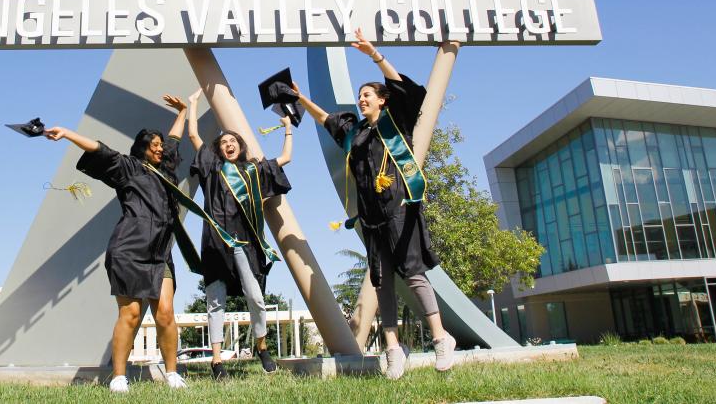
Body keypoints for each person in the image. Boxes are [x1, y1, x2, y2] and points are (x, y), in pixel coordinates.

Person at [294, 28, 458, 377]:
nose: (361, 98)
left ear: (382, 99)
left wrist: (374, 54)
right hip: (371, 217)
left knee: (412, 274)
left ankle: (442, 338)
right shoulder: (357, 132)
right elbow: (327, 120)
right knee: (381, 280)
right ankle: (393, 348)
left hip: (399, 208)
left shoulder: (396, 120)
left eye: (367, 94)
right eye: (360, 95)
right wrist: (300, 98)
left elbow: (404, 88)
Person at [44, 95, 190, 394]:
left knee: (165, 313)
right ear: (142, 148)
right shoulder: (128, 168)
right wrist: (68, 133)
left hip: (161, 252)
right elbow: (100, 149)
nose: (161, 148)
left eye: (161, 146)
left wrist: (185, 111)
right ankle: (119, 377)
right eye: (155, 145)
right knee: (131, 314)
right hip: (130, 249)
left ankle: (173, 374)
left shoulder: (167, 170)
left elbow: (175, 138)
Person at [185, 88, 293, 380]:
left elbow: (285, 158)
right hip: (215, 242)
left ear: (240, 146)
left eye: (233, 141)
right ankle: (217, 362)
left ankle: (261, 346)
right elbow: (194, 136)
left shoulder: (252, 171)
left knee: (255, 297)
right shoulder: (211, 168)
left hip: (244, 243)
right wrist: (192, 105)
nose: (228, 144)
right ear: (218, 149)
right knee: (215, 300)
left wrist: (287, 129)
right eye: (223, 142)